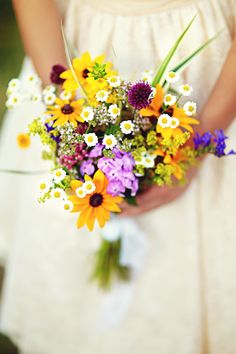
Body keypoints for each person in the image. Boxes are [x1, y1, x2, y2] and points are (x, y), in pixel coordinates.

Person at [0, 0, 236, 353]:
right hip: (72, 60)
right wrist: (68, 117)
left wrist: (197, 143)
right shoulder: (66, 100)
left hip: (212, 74)